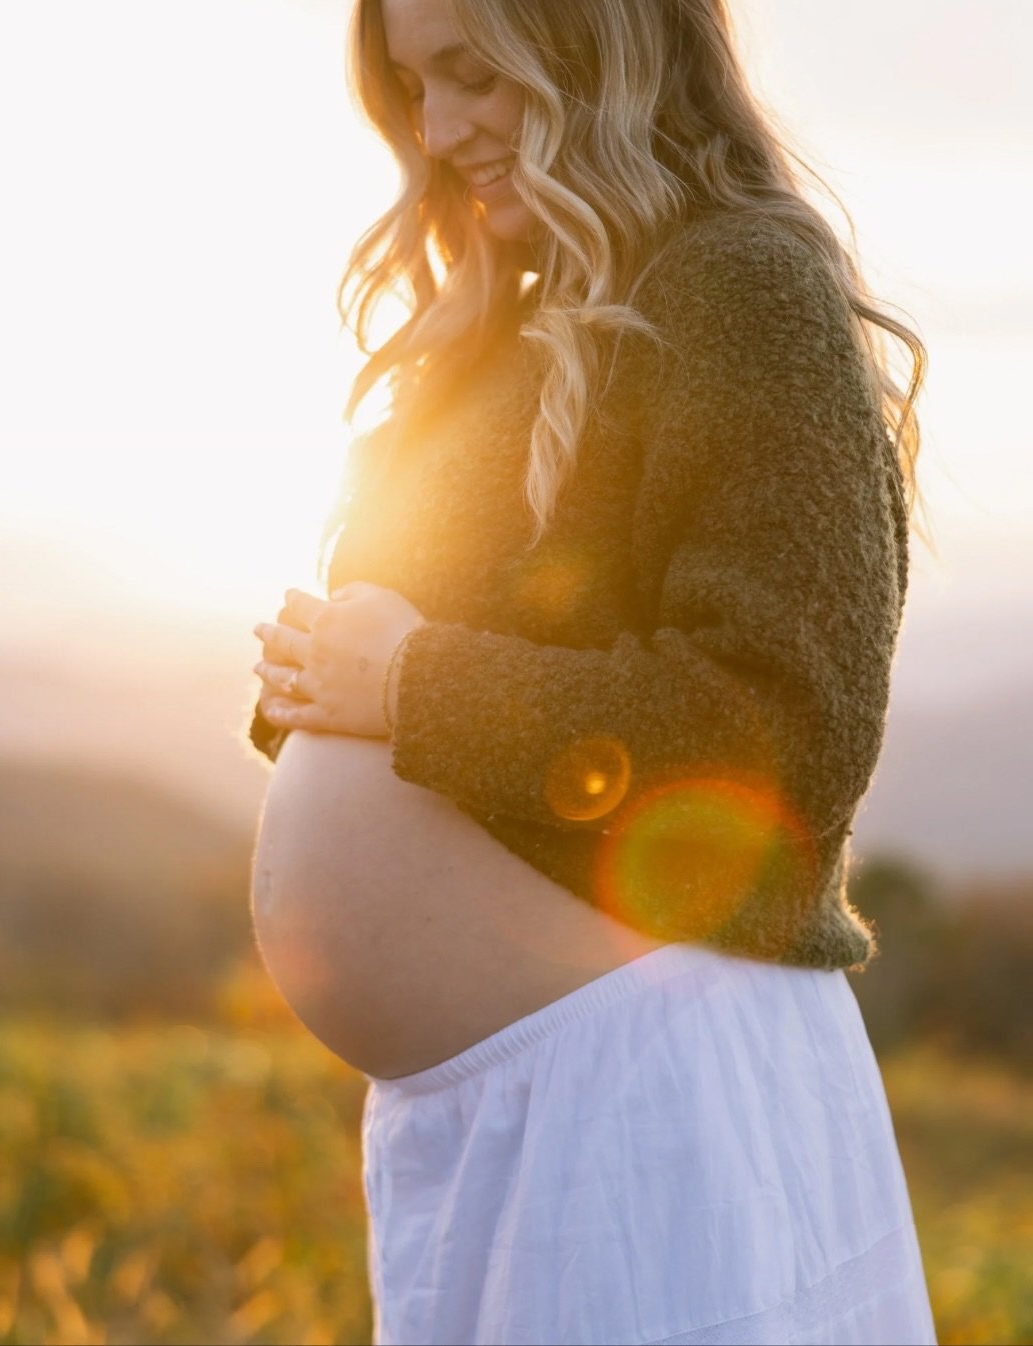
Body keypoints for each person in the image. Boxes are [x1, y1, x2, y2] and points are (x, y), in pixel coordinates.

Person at [246, 0, 939, 1342]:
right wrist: (431, 405)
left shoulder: (741, 287)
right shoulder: (508, 322)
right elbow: (391, 685)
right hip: (496, 1118)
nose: (440, 133)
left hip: (656, 1106)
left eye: (474, 76)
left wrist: (410, 685)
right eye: (412, 89)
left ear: (599, 43)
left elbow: (778, 736)